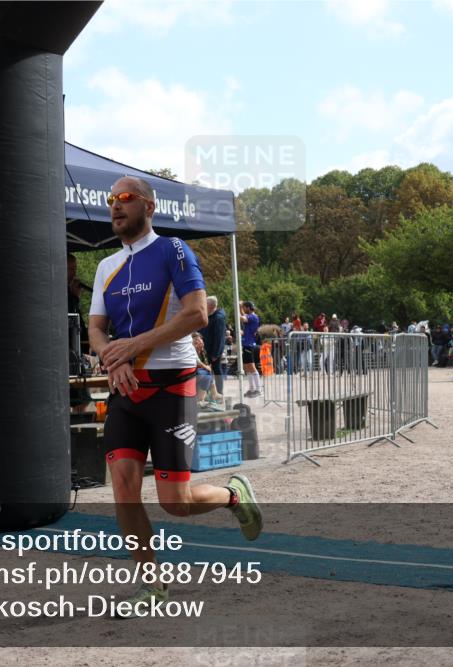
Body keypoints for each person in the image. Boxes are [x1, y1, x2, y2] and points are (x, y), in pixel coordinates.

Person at [87, 176, 262, 618]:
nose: (115, 205)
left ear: (148, 205)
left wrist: (134, 345)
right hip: (126, 388)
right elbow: (96, 329)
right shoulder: (106, 266)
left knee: (175, 503)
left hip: (171, 388)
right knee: (124, 488)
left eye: (124, 198)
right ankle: (151, 585)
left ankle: (233, 496)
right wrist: (114, 355)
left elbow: (197, 313)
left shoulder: (174, 250)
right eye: (111, 200)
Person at [201, 295, 227, 397]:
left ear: (210, 306)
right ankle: (210, 393)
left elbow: (220, 337)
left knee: (216, 371)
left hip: (213, 350)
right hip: (206, 349)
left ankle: (219, 393)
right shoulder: (210, 316)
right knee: (207, 371)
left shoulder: (218, 318)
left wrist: (216, 353)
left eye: (205, 304)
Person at [192, 333, 223, 408]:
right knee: (207, 375)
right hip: (192, 371)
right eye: (197, 340)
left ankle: (204, 398)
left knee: (207, 375)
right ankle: (206, 397)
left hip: (198, 371)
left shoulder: (203, 351)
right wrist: (206, 367)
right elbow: (196, 362)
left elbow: (205, 364)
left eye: (201, 341)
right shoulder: (191, 349)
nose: (201, 343)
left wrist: (206, 367)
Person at [240, 301, 261, 397]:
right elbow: (244, 316)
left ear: (248, 308)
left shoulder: (252, 316)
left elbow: (242, 318)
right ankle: (252, 389)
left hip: (249, 345)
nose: (243, 310)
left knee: (251, 367)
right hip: (246, 344)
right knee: (247, 367)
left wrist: (238, 307)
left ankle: (258, 389)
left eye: (244, 307)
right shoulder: (251, 316)